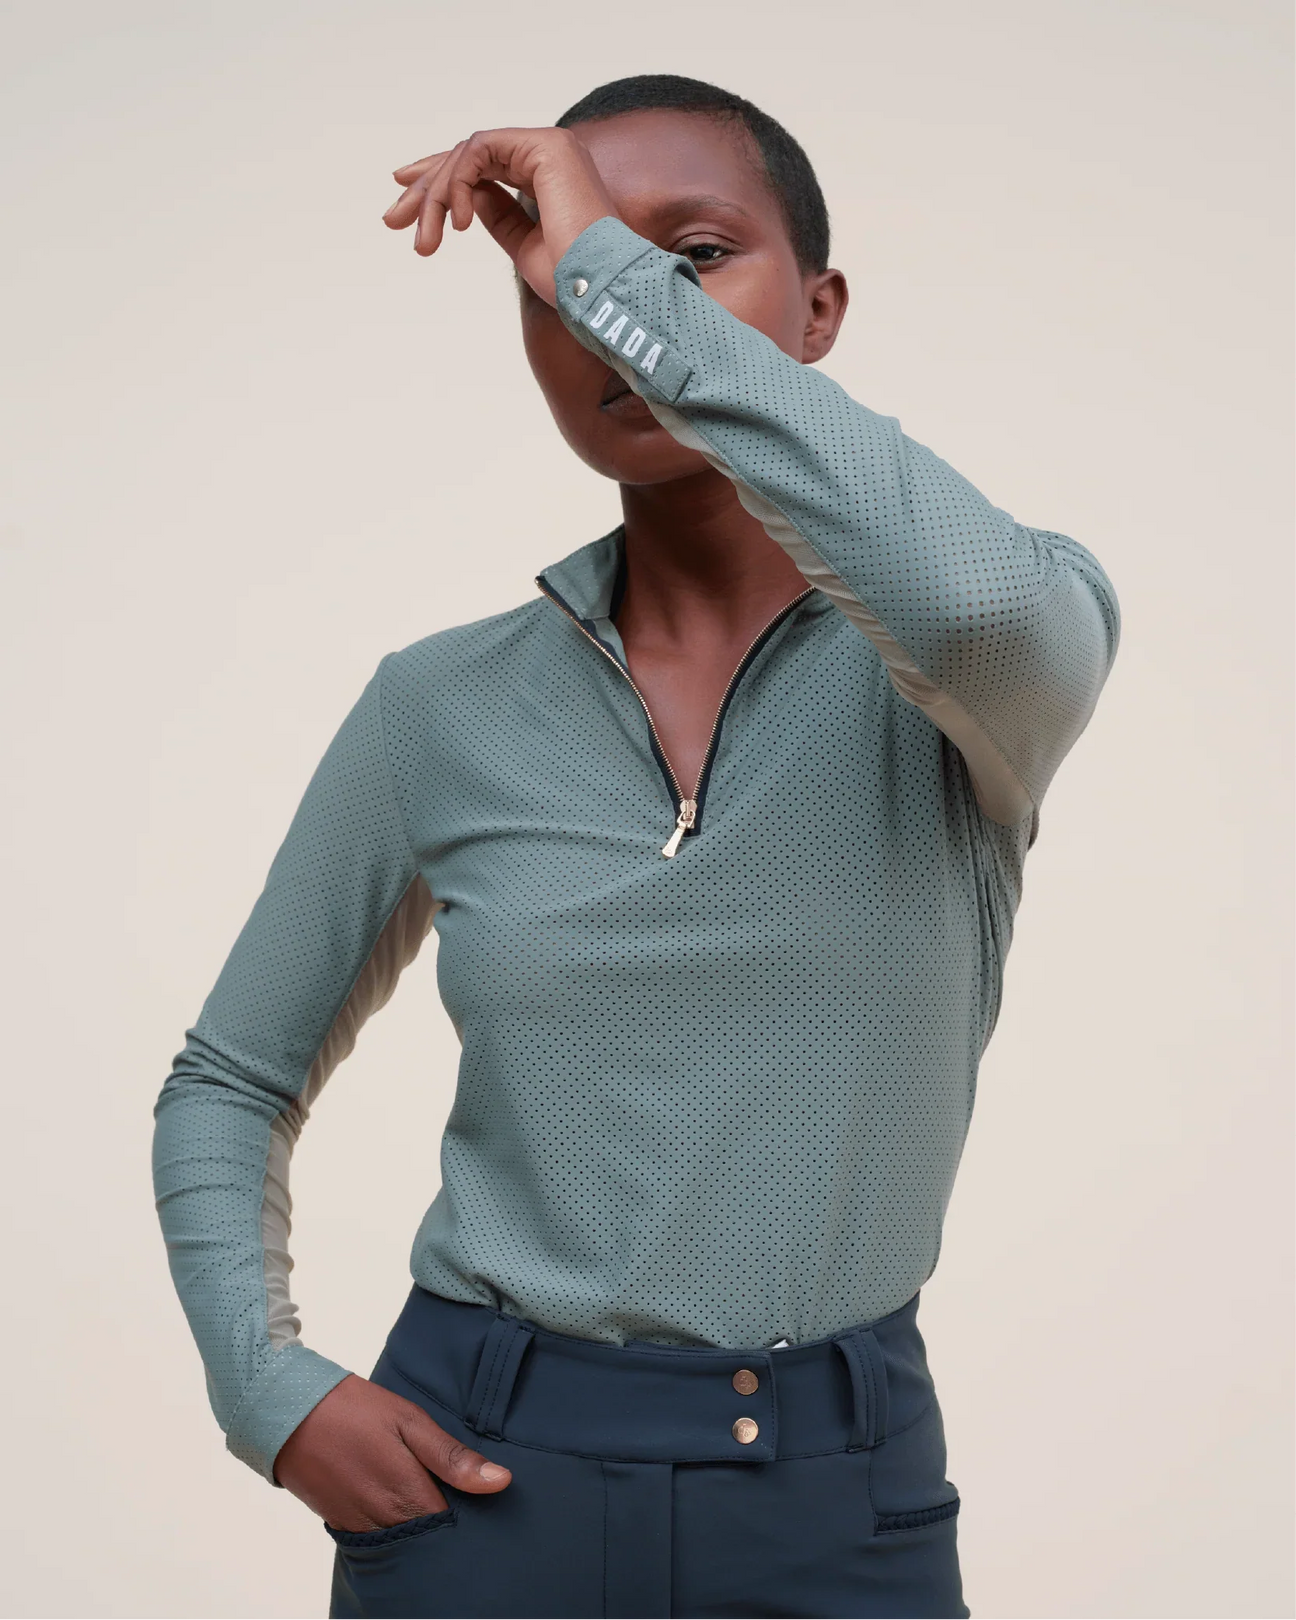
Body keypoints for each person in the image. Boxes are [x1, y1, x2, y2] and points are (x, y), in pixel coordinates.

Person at [152, 74, 1120, 1620]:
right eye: (568, 276)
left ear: (819, 311)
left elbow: (992, 605)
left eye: (694, 258)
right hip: (476, 1482)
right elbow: (229, 1081)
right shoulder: (440, 705)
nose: (613, 314)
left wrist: (604, 264)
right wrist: (268, 1393)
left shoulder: (970, 671)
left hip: (835, 1498)